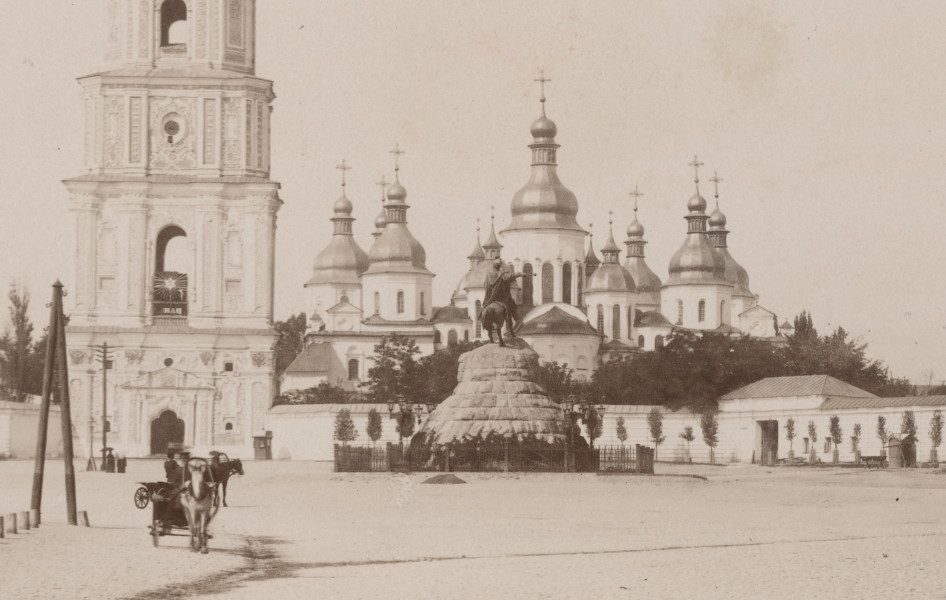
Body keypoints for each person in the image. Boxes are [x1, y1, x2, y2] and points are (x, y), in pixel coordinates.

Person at [480, 258, 532, 335]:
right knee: (512, 304)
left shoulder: (488, 275)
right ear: (499, 266)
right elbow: (511, 276)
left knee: (484, 308)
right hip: (501, 299)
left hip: (490, 300)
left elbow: (485, 285)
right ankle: (515, 320)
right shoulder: (501, 275)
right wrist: (521, 274)